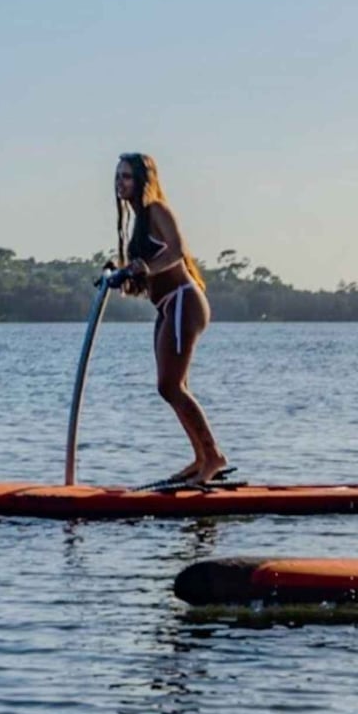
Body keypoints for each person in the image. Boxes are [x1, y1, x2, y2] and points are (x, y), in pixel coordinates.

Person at [110, 153, 229, 485]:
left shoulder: (157, 210)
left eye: (127, 176)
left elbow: (176, 251)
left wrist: (146, 267)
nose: (121, 183)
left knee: (170, 385)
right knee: (173, 387)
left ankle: (214, 456)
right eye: (118, 177)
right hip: (167, 307)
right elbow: (144, 276)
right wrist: (122, 273)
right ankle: (201, 458)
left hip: (183, 302)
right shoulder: (138, 222)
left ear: (143, 180)